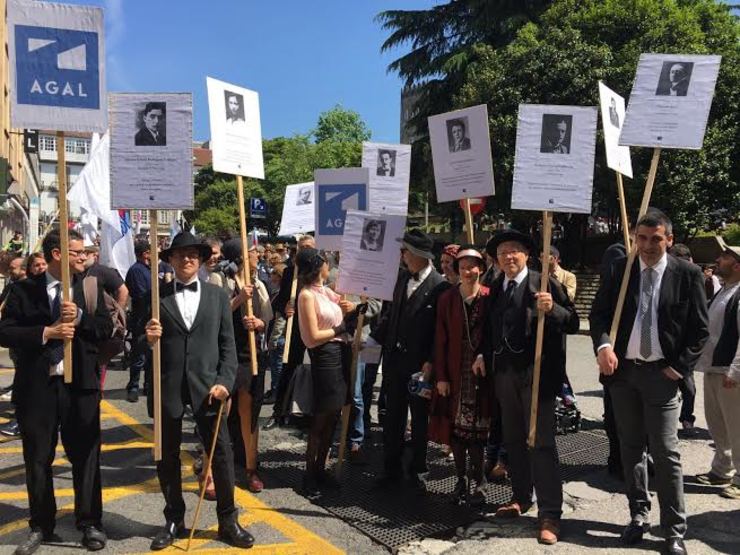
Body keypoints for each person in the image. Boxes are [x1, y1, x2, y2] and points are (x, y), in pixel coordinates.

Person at [590, 211, 709, 554]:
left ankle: (674, 530)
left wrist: (678, 367)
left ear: (669, 239)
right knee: (630, 448)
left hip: (662, 376)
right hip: (623, 373)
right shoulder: (621, 270)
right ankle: (638, 514)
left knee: (666, 452)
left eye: (655, 239)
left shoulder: (687, 274)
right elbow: (599, 314)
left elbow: (699, 330)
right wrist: (603, 346)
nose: (647, 246)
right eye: (641, 238)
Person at [0, 230, 113, 554]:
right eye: (77, 252)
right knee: (37, 458)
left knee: (86, 456)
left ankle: (90, 522)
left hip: (81, 387)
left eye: (85, 252)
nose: (84, 257)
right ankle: (41, 525)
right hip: (38, 387)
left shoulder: (90, 288)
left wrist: (80, 317)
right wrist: (46, 332)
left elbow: (105, 330)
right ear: (57, 254)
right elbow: (4, 331)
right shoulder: (23, 290)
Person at [144, 232, 253, 550]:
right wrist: (149, 339)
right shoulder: (156, 297)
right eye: (180, 255)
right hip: (169, 386)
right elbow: (141, 343)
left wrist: (225, 381)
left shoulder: (218, 295)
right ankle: (173, 519)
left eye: (193, 254)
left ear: (201, 259)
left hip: (209, 387)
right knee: (167, 456)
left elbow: (227, 345)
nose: (187, 259)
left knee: (221, 453)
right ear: (171, 260)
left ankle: (228, 520)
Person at [473, 229, 579, 546]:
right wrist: (482, 353)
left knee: (542, 444)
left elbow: (572, 321)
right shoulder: (494, 287)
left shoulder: (543, 284)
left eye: (514, 250)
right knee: (514, 440)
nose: (509, 256)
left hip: (538, 378)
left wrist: (554, 309)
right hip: (504, 375)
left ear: (527, 255)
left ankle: (550, 513)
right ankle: (521, 497)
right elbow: (489, 330)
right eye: (503, 252)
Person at [371, 230, 451, 491]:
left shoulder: (441, 286)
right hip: (394, 362)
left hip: (421, 367)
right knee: (392, 417)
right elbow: (389, 317)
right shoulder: (400, 279)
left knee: (419, 420)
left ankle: (418, 468)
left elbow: (442, 331)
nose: (402, 255)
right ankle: (390, 467)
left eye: (405, 251)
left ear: (419, 255)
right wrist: (371, 338)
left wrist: (431, 362)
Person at [430, 247, 492, 505]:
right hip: (455, 370)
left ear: (481, 268)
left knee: (478, 432)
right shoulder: (447, 299)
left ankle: (479, 481)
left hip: (482, 373)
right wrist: (441, 376)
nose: (468, 271)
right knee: (456, 432)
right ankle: (460, 478)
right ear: (457, 270)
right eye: (463, 267)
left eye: (473, 266)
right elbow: (440, 339)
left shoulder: (491, 296)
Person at [295, 248, 360, 494]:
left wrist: (351, 307)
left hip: (341, 354)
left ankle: (321, 467)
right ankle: (310, 473)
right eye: (325, 262)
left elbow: (346, 307)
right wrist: (340, 329)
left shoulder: (328, 292)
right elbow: (311, 338)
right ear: (317, 266)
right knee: (322, 416)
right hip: (324, 358)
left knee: (334, 415)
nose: (328, 265)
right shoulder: (307, 296)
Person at [221, 239, 273, 493]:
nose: (258, 255)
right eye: (253, 252)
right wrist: (240, 298)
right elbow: (217, 314)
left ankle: (251, 467)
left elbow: (267, 318)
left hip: (251, 354)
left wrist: (258, 323)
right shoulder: (222, 282)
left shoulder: (259, 284)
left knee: (249, 412)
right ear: (241, 257)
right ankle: (212, 468)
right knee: (221, 411)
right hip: (226, 353)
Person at [693, 244, 740, 499]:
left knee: (736, 427)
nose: (718, 260)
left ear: (737, 265)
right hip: (714, 368)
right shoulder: (725, 290)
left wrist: (736, 371)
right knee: (717, 424)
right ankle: (722, 469)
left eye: (725, 257)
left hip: (730, 373)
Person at [264, 235, 316, 430]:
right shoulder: (289, 273)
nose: (305, 250)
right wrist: (286, 307)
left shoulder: (321, 272)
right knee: (289, 367)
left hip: (315, 328)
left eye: (309, 247)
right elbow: (279, 300)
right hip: (294, 327)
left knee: (316, 369)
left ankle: (312, 413)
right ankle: (279, 412)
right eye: (302, 247)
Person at [124, 241, 152, 403]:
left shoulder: (148, 269)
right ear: (145, 253)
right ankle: (133, 386)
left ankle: (148, 384)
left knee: (150, 354)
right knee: (139, 355)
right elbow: (142, 295)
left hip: (150, 318)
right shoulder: (136, 271)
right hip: (141, 319)